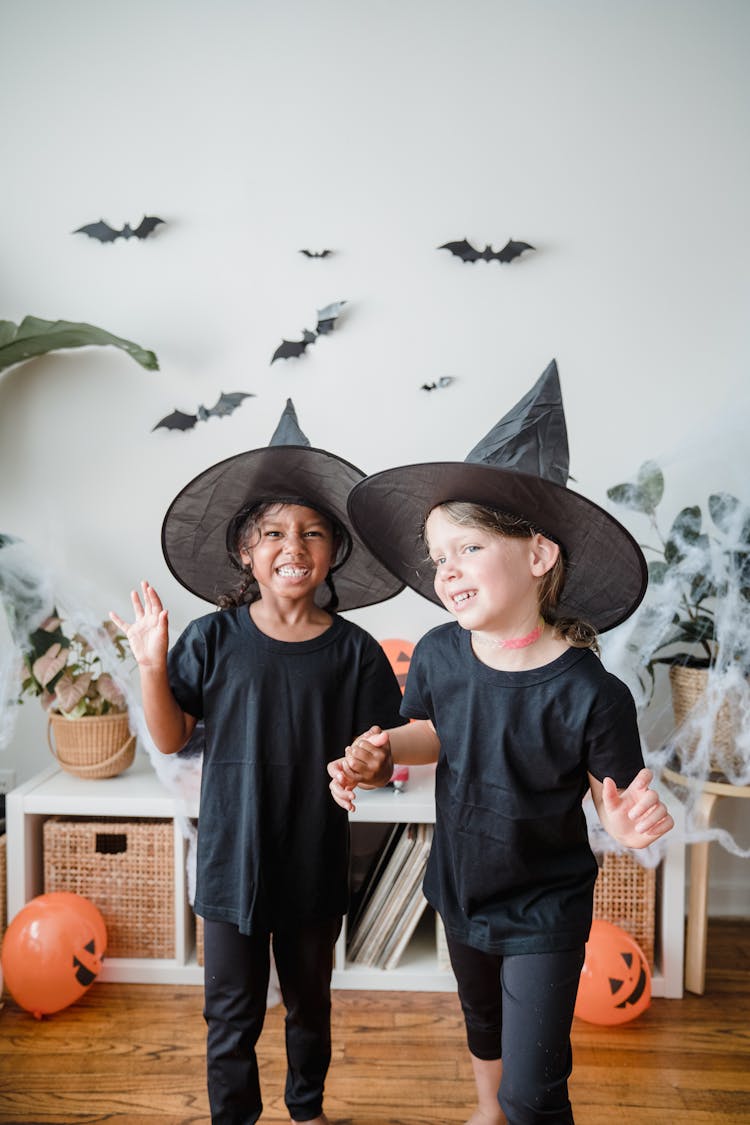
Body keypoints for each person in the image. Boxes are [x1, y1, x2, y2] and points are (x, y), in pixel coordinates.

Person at [329, 362, 674, 1125]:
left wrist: (619, 824)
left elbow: (612, 795)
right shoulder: (442, 654)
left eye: (469, 549)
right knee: (483, 1024)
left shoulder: (592, 693)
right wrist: (385, 747)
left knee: (535, 1090)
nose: (446, 570)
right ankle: (489, 1110)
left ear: (539, 555)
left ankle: (514, 1109)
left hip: (546, 906)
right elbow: (436, 733)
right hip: (461, 886)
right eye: (438, 556)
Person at [111, 399, 407, 1125]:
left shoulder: (355, 653)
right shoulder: (213, 640)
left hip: (312, 857)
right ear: (246, 550)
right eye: (273, 530)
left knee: (310, 1004)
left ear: (334, 549)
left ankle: (307, 1110)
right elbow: (175, 736)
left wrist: (369, 762)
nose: (292, 545)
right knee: (230, 1012)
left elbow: (382, 756)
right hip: (229, 860)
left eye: (311, 532)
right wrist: (152, 665)